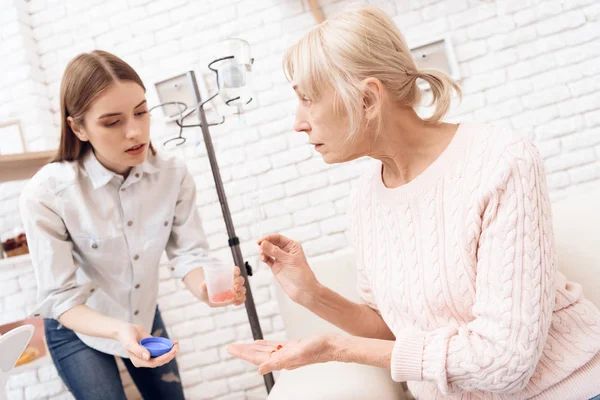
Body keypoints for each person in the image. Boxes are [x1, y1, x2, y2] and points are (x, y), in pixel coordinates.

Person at [227, 6, 600, 400]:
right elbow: (396, 333)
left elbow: (504, 363)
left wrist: (335, 348)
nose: (298, 122)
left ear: (368, 99)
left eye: (308, 99)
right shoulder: (365, 200)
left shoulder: (501, 161)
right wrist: (312, 295)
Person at [19, 50, 247, 400]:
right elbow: (60, 298)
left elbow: (188, 254)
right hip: (77, 324)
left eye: (141, 112)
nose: (135, 131)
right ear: (78, 127)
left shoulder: (173, 175)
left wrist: (210, 290)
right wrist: (118, 331)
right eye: (112, 122)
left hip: (140, 312)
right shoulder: (48, 192)